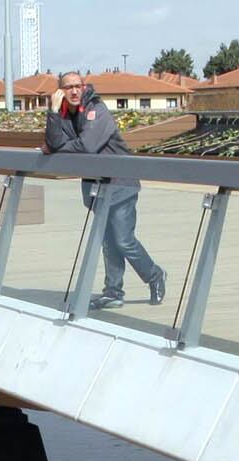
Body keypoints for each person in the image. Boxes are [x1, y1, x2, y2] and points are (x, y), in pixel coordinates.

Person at [42, 70, 166, 309]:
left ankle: (155, 275)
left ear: (84, 86)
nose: (74, 91)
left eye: (78, 85)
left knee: (123, 240)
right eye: (68, 88)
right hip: (97, 186)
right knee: (109, 242)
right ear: (60, 92)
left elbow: (87, 146)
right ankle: (113, 292)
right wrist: (53, 112)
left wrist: (59, 148)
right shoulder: (66, 115)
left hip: (121, 183)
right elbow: (54, 141)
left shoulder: (97, 110)